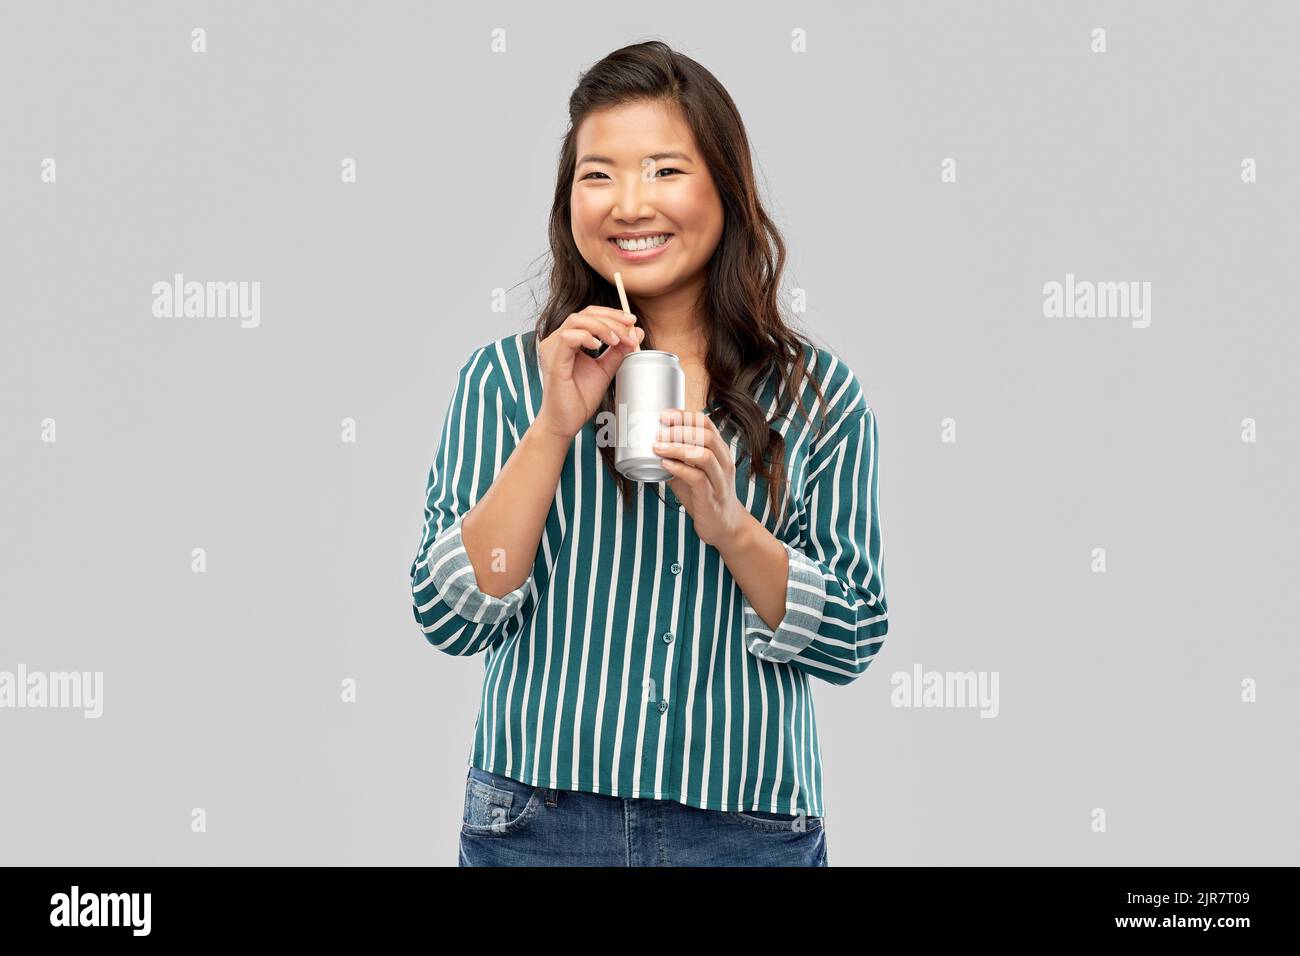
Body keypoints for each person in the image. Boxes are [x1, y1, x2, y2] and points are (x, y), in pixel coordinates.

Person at [409, 40, 888, 867]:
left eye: (665, 170)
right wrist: (555, 427)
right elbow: (450, 617)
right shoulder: (504, 381)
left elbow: (851, 637)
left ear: (726, 190)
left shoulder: (818, 395)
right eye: (598, 175)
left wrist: (732, 526)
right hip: (536, 818)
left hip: (747, 828)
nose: (630, 204)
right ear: (568, 201)